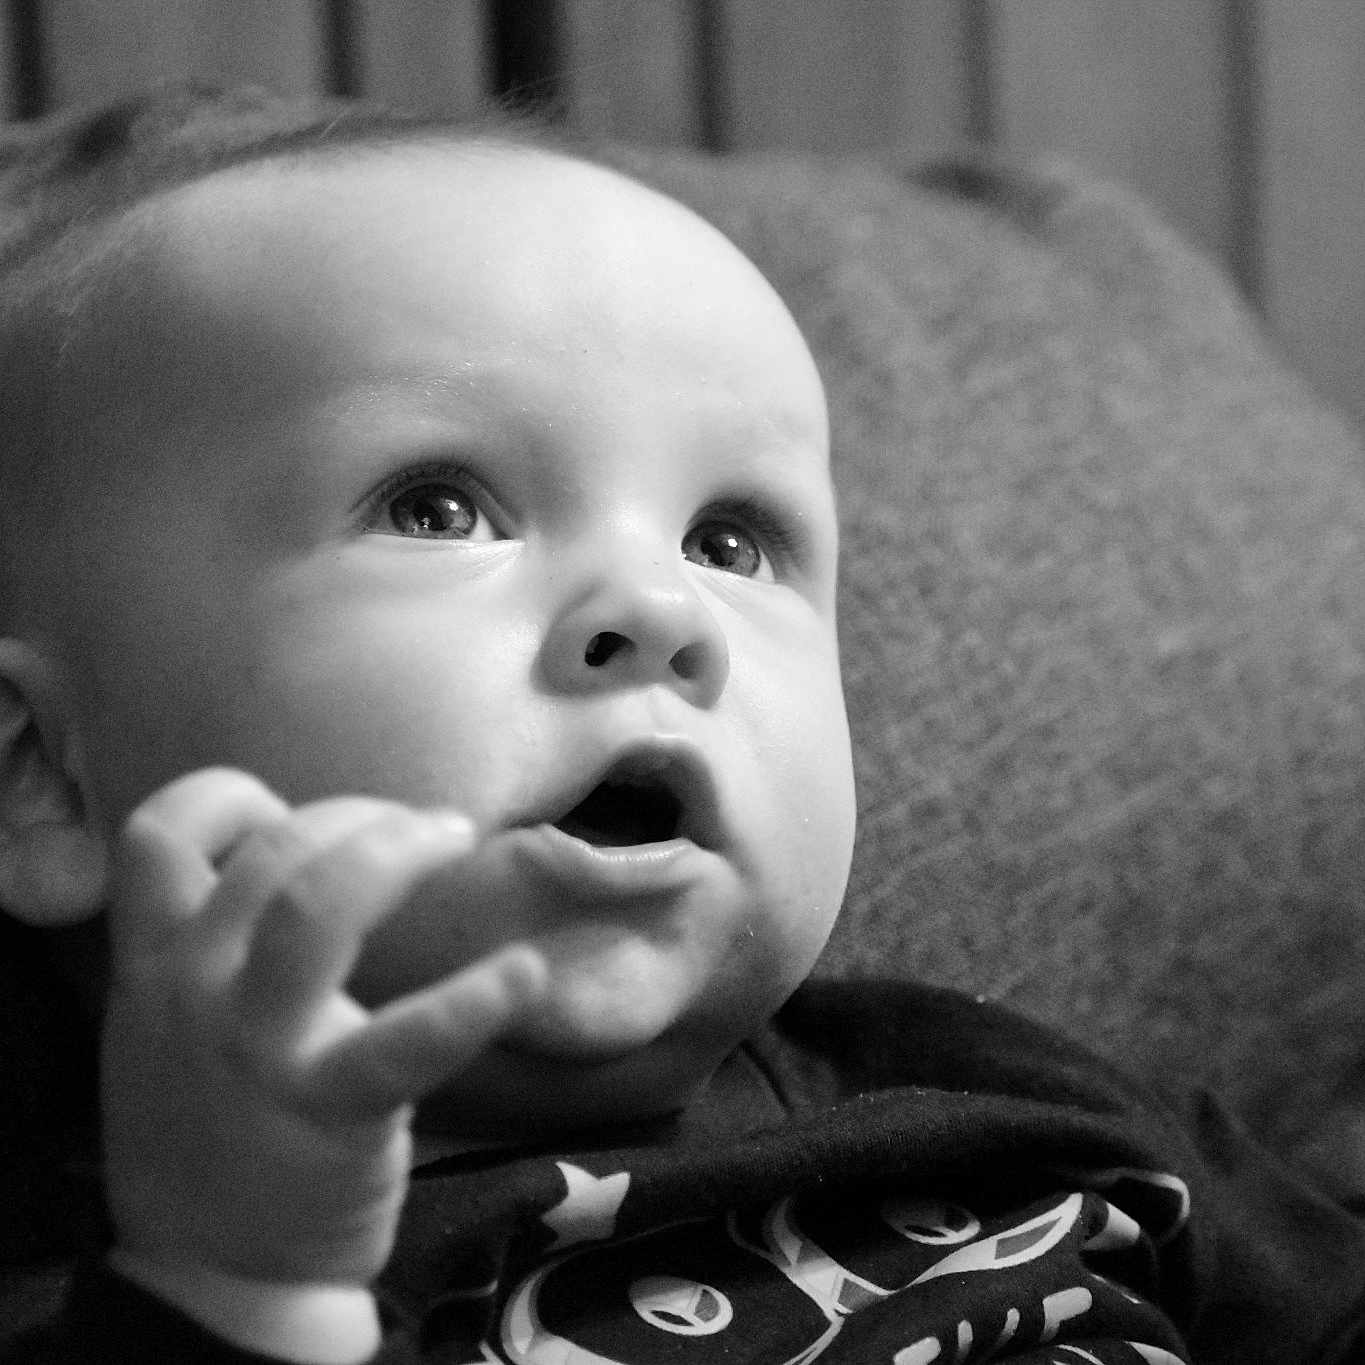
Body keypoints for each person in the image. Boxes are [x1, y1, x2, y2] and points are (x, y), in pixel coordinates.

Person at [0, 86, 1361, 1364]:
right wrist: (242, 1286)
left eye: (731, 537)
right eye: (438, 505)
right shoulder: (111, 1297)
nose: (660, 611)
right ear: (40, 776)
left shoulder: (1012, 1099)